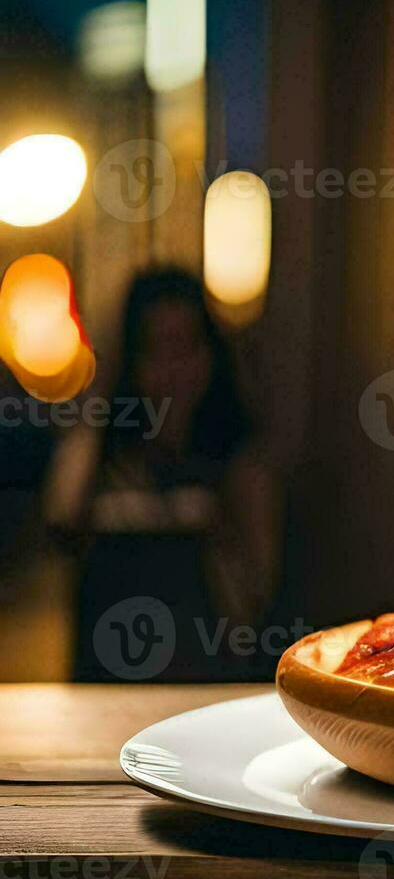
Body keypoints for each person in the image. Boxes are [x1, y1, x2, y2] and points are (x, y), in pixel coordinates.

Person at [44, 267, 280, 681]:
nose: (173, 369)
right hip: (105, 688)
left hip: (200, 691)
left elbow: (259, 589)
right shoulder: (105, 454)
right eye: (155, 349)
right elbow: (61, 518)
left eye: (186, 347)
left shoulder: (233, 460)